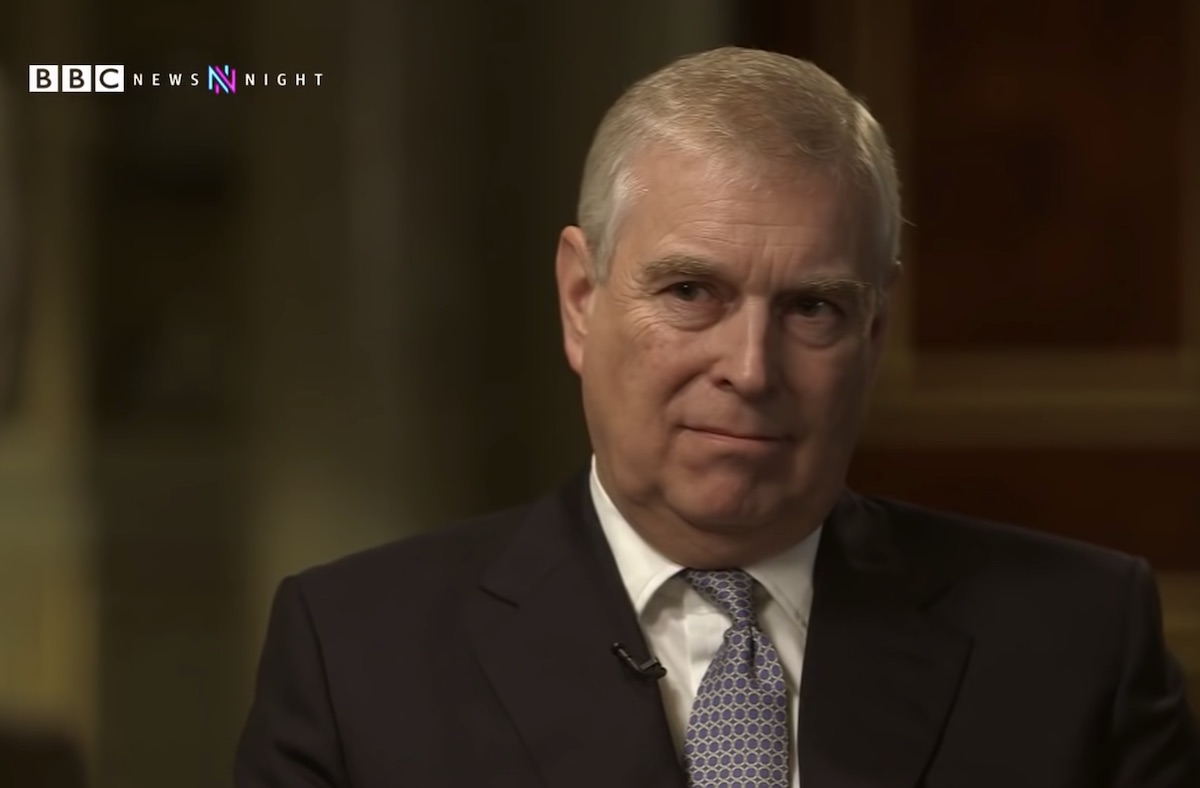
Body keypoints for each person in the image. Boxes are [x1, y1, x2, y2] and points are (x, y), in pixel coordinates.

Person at [234, 47, 1200, 787]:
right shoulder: (354, 654)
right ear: (581, 300)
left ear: (875, 333)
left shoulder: (1079, 642)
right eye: (691, 292)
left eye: (812, 307)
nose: (749, 369)